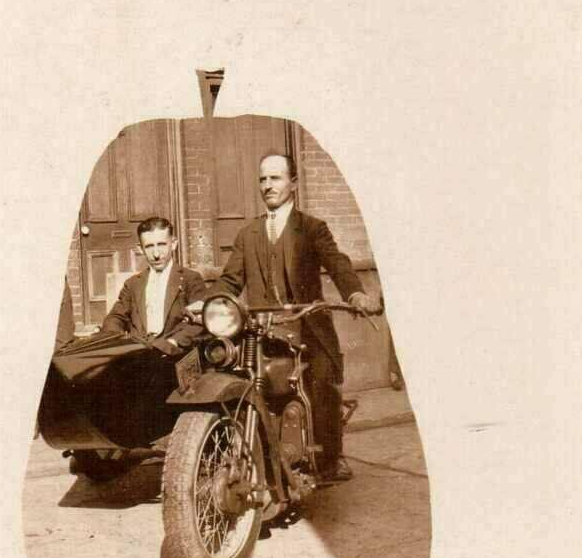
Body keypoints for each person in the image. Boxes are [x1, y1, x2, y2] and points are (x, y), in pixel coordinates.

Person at [188, 151, 378, 484]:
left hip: (308, 327)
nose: (267, 185)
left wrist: (355, 294)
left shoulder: (312, 228)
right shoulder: (249, 234)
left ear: (293, 183)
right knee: (240, 379)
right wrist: (207, 303)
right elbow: (230, 280)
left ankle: (331, 458)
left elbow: (337, 264)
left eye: (275, 178)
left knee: (322, 382)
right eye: (262, 179)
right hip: (264, 330)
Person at [100, 216, 205, 353]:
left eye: (161, 245)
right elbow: (115, 318)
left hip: (172, 354)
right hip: (138, 355)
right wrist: (120, 342)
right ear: (140, 249)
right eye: (149, 246)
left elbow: (199, 323)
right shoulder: (133, 284)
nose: (156, 254)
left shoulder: (190, 279)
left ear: (173, 244)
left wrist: (173, 342)